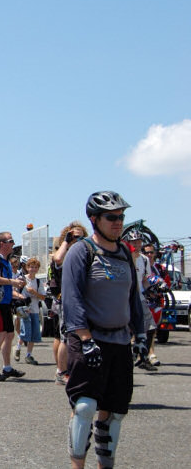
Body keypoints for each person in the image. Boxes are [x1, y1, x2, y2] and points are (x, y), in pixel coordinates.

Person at [62, 191, 147, 469]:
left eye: (121, 216)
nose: (118, 222)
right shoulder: (81, 251)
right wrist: (85, 339)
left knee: (114, 413)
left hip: (119, 341)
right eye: (111, 217)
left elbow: (133, 297)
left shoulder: (124, 253)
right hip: (89, 339)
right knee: (85, 407)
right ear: (94, 219)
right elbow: (72, 298)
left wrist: (140, 334)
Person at [49, 221, 89, 385]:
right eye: (74, 237)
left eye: (81, 237)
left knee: (80, 336)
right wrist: (66, 242)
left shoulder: (85, 253)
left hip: (84, 300)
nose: (77, 240)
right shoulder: (64, 254)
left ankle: (74, 369)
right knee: (66, 337)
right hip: (66, 301)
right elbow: (57, 259)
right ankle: (61, 372)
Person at [0, 232, 27, 382]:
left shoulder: (6, 261)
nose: (13, 244)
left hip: (6, 302)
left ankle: (7, 367)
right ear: (2, 244)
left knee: (9, 335)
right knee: (0, 335)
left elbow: (6, 283)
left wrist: (16, 291)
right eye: (11, 241)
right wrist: (12, 282)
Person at [122, 230, 155, 372]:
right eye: (133, 242)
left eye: (139, 242)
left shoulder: (144, 259)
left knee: (150, 327)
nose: (136, 245)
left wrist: (151, 290)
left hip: (139, 298)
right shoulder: (123, 257)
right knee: (127, 329)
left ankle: (144, 357)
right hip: (125, 298)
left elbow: (144, 280)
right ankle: (127, 358)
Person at [16, 258, 45, 365]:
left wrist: (34, 292)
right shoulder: (22, 279)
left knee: (33, 333)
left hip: (35, 310)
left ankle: (28, 355)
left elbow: (43, 297)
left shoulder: (38, 282)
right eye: (31, 267)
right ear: (27, 268)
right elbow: (15, 292)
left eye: (35, 267)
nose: (33, 269)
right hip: (24, 310)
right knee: (25, 331)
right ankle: (18, 348)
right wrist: (22, 297)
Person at [140, 244, 163, 367]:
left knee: (152, 328)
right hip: (141, 300)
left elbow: (166, 282)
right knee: (143, 328)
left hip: (155, 301)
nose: (149, 254)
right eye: (146, 252)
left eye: (151, 252)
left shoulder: (159, 268)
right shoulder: (139, 262)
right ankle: (147, 354)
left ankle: (147, 354)